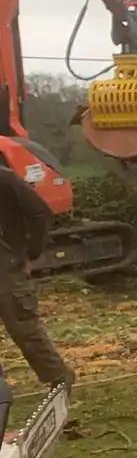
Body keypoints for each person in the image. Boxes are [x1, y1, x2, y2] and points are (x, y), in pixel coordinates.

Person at [0, 161, 73, 389]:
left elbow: (39, 212)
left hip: (6, 264)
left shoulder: (5, 179)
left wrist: (32, 252)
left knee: (24, 328)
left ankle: (59, 380)